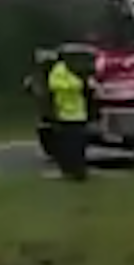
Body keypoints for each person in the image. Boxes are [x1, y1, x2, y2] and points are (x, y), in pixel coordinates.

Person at [43, 51, 93, 181]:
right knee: (73, 145)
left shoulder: (63, 70)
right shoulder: (63, 70)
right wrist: (81, 84)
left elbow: (55, 85)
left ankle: (76, 171)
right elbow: (57, 85)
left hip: (71, 114)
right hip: (71, 114)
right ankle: (76, 171)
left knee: (72, 145)